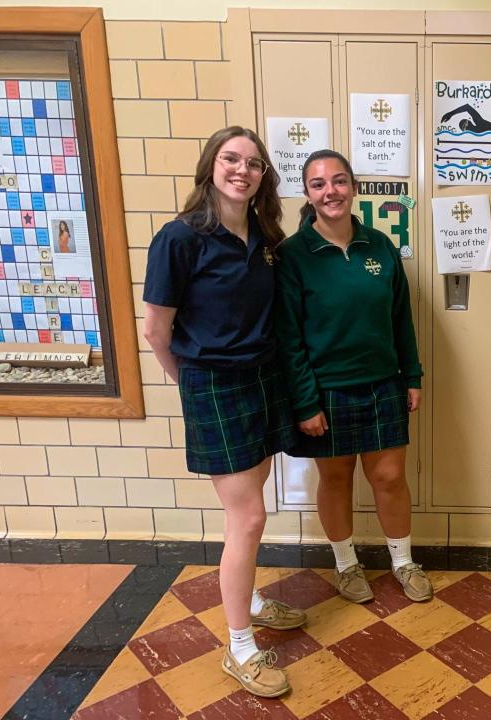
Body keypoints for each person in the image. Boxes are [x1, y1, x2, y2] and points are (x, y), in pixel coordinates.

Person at [143, 126, 304, 698]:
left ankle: (253, 599)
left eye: (254, 163)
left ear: (264, 176)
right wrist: (191, 383)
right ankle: (239, 647)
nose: (242, 169)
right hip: (213, 384)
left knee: (252, 499)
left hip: (262, 379)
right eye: (232, 159)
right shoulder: (180, 238)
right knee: (250, 517)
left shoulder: (262, 234)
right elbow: (156, 331)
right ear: (210, 164)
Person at [275, 149, 432, 605]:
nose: (331, 192)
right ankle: (346, 567)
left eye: (339, 181)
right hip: (326, 392)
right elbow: (288, 338)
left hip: (384, 383)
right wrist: (305, 403)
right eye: (319, 184)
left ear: (354, 187)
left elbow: (401, 317)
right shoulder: (292, 255)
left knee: (389, 478)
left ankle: (403, 562)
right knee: (336, 479)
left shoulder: (380, 246)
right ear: (307, 193)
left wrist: (413, 375)